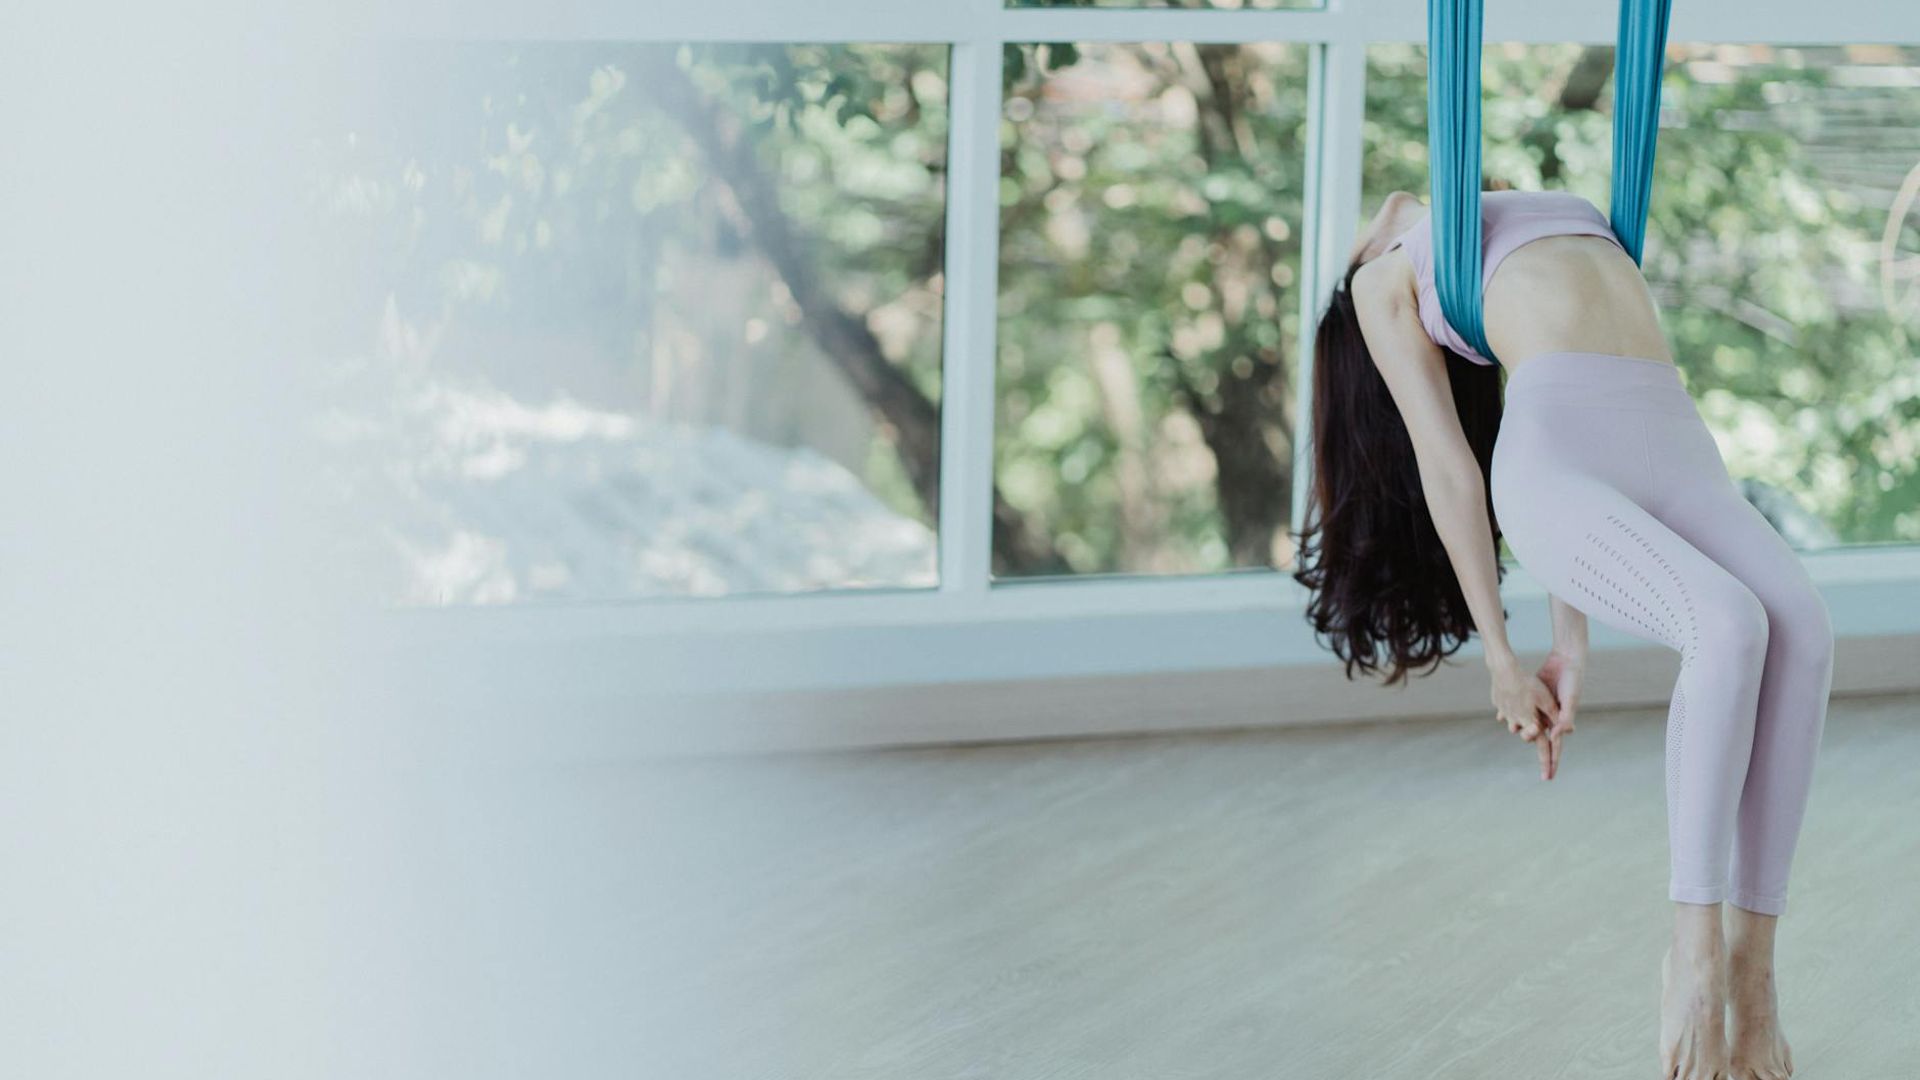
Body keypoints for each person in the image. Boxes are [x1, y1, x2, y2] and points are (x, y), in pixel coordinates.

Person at [1293, 187, 1835, 1080]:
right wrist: (1501, 658)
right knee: (1729, 626)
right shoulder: (1383, 282)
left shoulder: (1483, 204)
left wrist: (1569, 641)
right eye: (1356, 235)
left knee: (1805, 629)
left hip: (1675, 443)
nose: (1376, 206)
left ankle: (1756, 967)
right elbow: (1450, 467)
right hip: (1555, 463)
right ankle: (1695, 954)